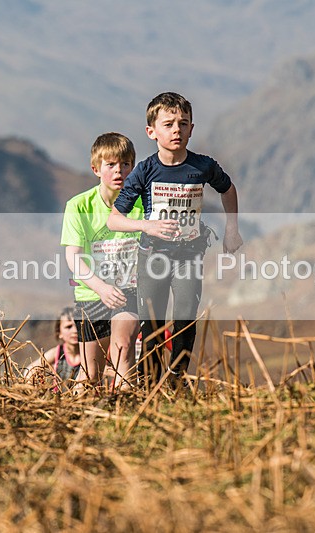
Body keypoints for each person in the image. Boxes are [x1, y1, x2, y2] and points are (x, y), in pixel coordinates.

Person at [108, 92, 242, 387]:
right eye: (168, 124)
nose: (177, 130)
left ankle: (177, 381)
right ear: (152, 132)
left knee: (185, 320)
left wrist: (232, 228)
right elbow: (114, 219)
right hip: (152, 255)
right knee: (152, 323)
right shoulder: (144, 170)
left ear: (192, 128)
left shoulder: (202, 166)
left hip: (189, 256)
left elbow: (228, 188)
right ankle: (150, 384)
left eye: (183, 123)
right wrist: (148, 226)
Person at [61, 132, 144, 391]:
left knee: (124, 348)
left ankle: (125, 412)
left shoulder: (144, 204)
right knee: (90, 376)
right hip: (92, 293)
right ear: (96, 169)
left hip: (129, 290)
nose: (119, 171)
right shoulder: (79, 206)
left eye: (125, 164)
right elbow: (73, 258)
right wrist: (102, 288)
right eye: (110, 165)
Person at [23, 307, 81, 387]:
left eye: (78, 325)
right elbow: (29, 370)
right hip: (59, 398)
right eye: (68, 327)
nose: (75, 330)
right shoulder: (56, 353)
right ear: (59, 332)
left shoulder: (90, 353)